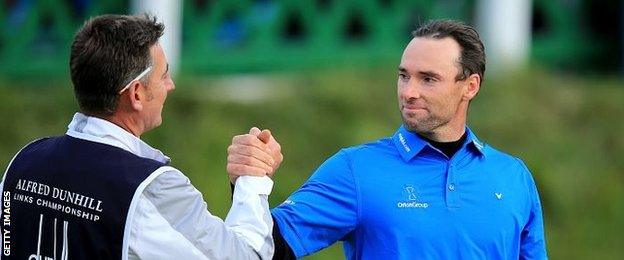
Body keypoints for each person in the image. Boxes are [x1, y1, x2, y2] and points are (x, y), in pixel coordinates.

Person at [227, 19, 548, 259]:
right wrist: (248, 184)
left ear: (470, 86)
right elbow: (263, 248)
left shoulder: (514, 176)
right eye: (403, 75)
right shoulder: (355, 170)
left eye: (428, 79)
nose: (409, 92)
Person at [0, 14, 279, 260]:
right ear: (136, 94)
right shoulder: (150, 188)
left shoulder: (24, 161)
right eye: (164, 76)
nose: (170, 85)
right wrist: (251, 180)